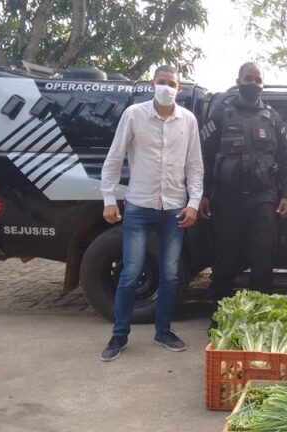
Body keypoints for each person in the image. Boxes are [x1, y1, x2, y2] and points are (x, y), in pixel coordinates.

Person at [99, 65, 204, 361]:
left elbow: (194, 165)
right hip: (139, 206)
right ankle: (119, 335)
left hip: (174, 209)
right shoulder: (134, 115)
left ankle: (163, 331)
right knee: (130, 272)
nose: (166, 88)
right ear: (152, 84)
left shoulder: (188, 121)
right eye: (162, 82)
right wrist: (108, 199)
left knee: (171, 275)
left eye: (172, 84)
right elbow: (115, 157)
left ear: (179, 89)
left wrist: (193, 202)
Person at [199, 62, 287, 302]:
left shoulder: (272, 117)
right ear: (239, 80)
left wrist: (286, 194)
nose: (253, 83)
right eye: (248, 78)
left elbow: (285, 159)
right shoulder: (222, 113)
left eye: (258, 80)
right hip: (227, 200)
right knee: (225, 260)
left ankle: (256, 316)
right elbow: (204, 157)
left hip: (263, 198)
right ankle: (219, 316)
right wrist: (203, 194)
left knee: (263, 260)